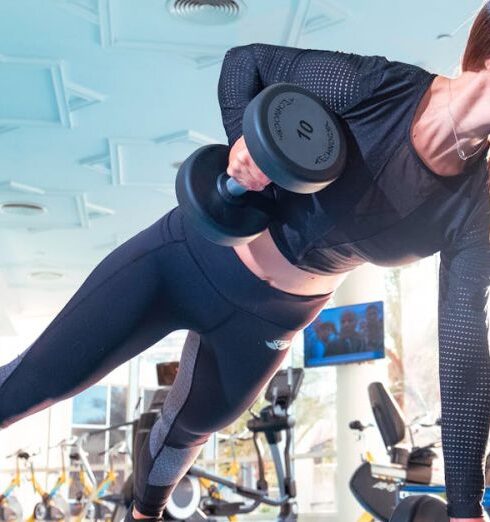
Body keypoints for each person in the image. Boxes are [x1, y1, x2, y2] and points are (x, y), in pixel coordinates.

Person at [0, 4, 489, 521]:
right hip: (186, 258)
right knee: (35, 384)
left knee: (188, 431)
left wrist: (463, 506)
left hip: (268, 322)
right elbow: (246, 63)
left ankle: (143, 515)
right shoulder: (380, 87)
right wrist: (242, 138)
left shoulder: (476, 209)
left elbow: (463, 347)